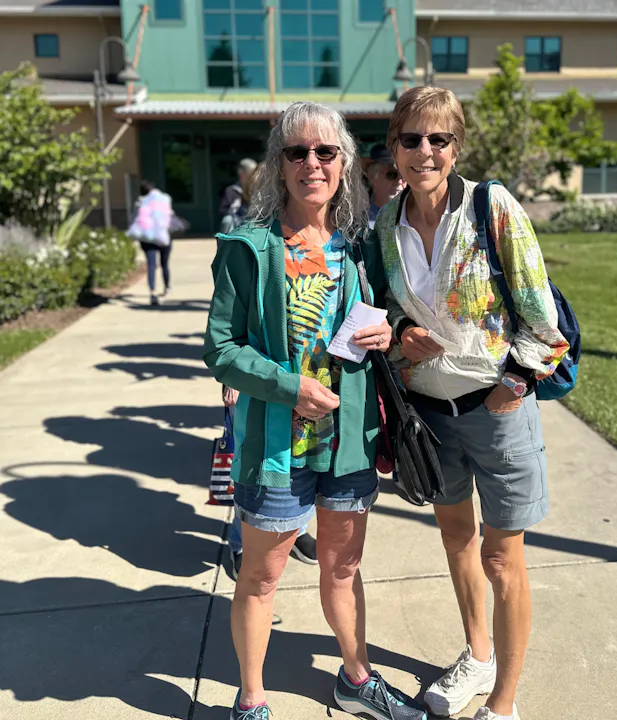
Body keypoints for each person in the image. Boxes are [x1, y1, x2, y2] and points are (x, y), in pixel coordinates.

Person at [203, 101, 426, 720]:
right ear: (279, 164)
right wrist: (287, 387)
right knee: (261, 578)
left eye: (325, 152)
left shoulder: (361, 245)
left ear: (344, 162)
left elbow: (389, 315)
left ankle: (355, 678)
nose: (311, 163)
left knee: (343, 567)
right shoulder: (248, 248)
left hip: (348, 439)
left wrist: (389, 332)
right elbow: (220, 348)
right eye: (296, 152)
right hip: (278, 444)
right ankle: (251, 700)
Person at [371, 87, 570, 720]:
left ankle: (504, 700)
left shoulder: (491, 206)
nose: (424, 151)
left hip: (496, 408)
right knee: (456, 535)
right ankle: (477, 655)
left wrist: (514, 384)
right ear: (393, 148)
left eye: (439, 139)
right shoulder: (385, 225)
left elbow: (541, 314)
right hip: (431, 415)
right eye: (411, 139)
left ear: (456, 147)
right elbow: (392, 313)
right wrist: (403, 337)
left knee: (501, 555)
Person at [221, 384, 318, 579]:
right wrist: (232, 379)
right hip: (249, 377)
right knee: (252, 471)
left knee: (303, 460)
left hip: (303, 373)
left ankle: (297, 530)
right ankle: (241, 544)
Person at [128, 180, 173, 306]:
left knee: (151, 265)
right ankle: (167, 286)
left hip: (147, 237)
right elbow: (169, 216)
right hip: (163, 236)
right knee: (164, 264)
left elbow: (134, 219)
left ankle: (152, 292)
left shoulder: (140, 202)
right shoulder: (164, 199)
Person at [367, 143, 405, 229]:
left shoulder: (417, 217)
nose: (399, 181)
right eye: (391, 175)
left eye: (404, 176)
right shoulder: (354, 217)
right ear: (372, 176)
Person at [220, 158, 258, 234]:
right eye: (250, 173)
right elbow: (222, 210)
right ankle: (225, 244)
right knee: (227, 220)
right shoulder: (231, 190)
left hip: (255, 218)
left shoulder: (260, 188)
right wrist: (233, 208)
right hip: (237, 219)